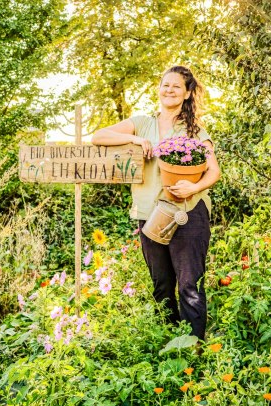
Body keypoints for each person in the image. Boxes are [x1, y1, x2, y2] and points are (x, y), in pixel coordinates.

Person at [91, 65, 220, 340]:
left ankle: (193, 347)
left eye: (176, 86)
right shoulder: (142, 123)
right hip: (150, 213)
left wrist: (194, 186)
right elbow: (98, 136)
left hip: (187, 213)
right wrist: (135, 139)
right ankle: (169, 343)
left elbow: (214, 171)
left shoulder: (194, 130)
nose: (169, 89)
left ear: (186, 94)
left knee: (189, 285)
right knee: (161, 285)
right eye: (165, 84)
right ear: (158, 89)